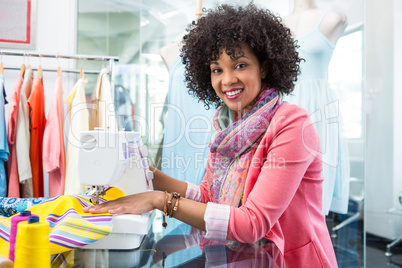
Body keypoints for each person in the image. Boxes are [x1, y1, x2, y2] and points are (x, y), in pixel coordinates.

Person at [84, 3, 338, 267]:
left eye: (239, 65)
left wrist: (158, 200)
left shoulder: (291, 123)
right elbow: (209, 194)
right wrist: (153, 177)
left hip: (291, 260)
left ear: (263, 67)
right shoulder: (226, 124)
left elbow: (253, 223)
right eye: (217, 69)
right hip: (244, 258)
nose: (226, 80)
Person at [283, 0, 350, 215]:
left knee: (315, 197)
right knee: (281, 188)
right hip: (284, 109)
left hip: (318, 111)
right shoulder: (277, 25)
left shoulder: (333, 18)